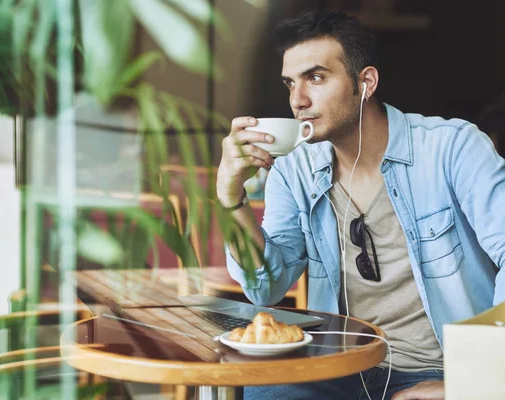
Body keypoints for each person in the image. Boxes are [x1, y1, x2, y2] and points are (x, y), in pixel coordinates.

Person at [216, 9, 504, 400]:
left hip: (440, 368)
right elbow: (265, 287)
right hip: (338, 366)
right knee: (263, 391)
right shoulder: (294, 171)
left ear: (365, 82)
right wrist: (232, 198)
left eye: (315, 78)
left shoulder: (452, 149)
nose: (297, 100)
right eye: (290, 83)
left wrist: (471, 382)